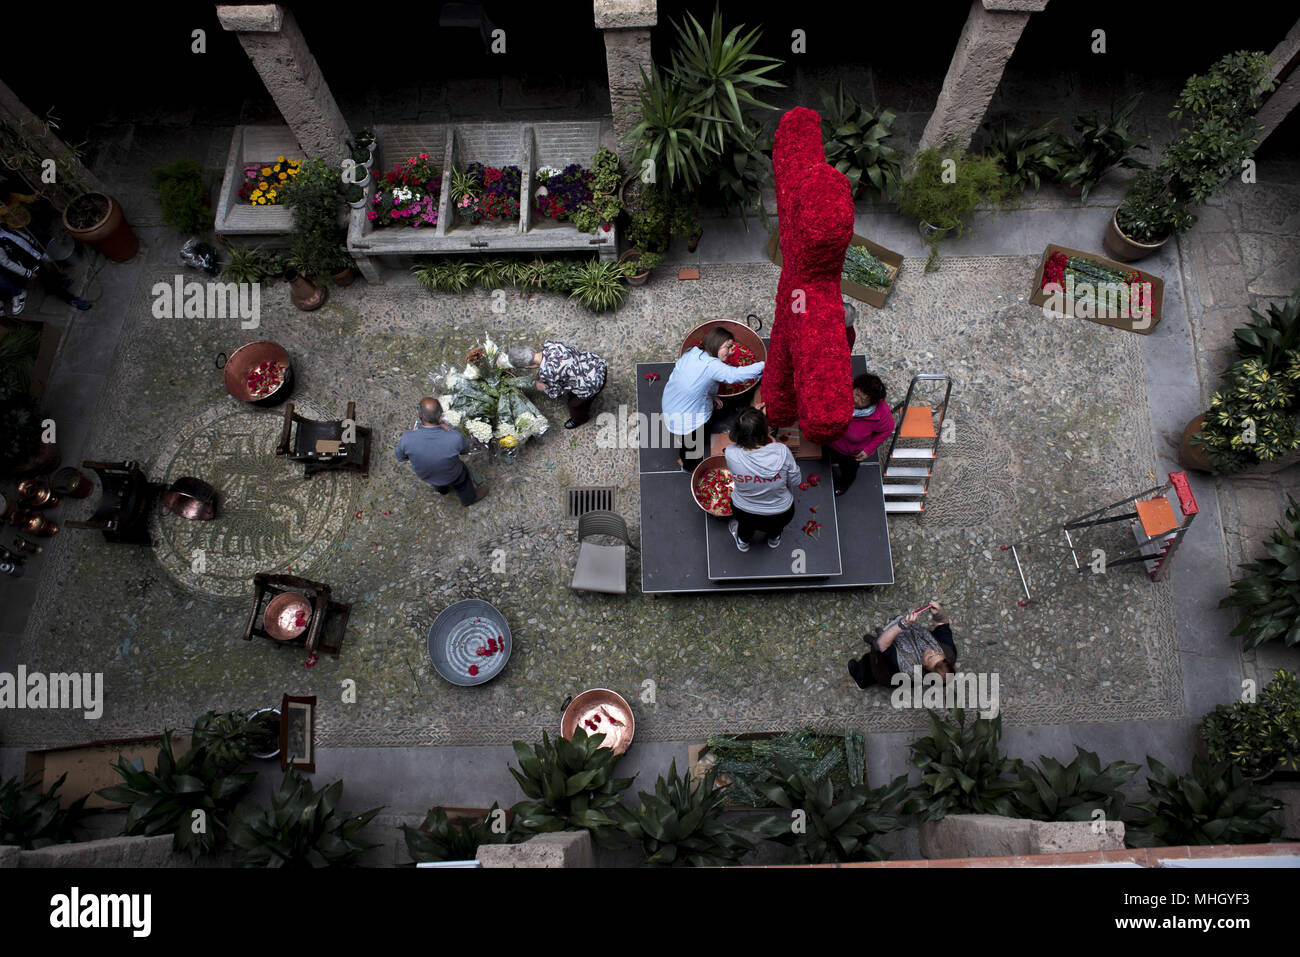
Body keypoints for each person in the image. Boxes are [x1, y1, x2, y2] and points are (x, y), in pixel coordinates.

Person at [663, 327, 765, 472]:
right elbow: (734, 375)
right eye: (728, 347)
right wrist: (764, 365)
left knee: (687, 436)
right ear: (716, 343)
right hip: (684, 418)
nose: (731, 352)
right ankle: (689, 467)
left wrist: (712, 396)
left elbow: (697, 381)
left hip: (670, 401)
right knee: (691, 445)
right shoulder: (712, 366)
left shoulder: (693, 352)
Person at [724, 407, 802, 551]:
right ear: (766, 431)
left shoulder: (730, 453)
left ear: (737, 433)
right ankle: (774, 540)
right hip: (780, 512)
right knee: (776, 528)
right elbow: (795, 481)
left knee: (745, 529)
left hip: (744, 510)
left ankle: (743, 544)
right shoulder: (782, 451)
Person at [394, 397, 489, 506]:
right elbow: (465, 450)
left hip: (427, 476)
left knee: (437, 481)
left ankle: (442, 490)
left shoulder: (407, 438)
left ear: (420, 416)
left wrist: (412, 435)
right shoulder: (455, 437)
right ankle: (469, 499)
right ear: (440, 417)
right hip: (454, 475)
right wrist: (449, 430)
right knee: (463, 480)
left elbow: (400, 457)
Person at [847, 602, 955, 689]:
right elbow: (943, 624)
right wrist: (939, 613)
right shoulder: (948, 652)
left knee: (870, 664)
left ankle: (861, 680)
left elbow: (882, 644)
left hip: (887, 670)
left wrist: (903, 625)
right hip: (906, 638)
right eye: (937, 653)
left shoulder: (906, 666)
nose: (932, 650)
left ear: (925, 668)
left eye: (930, 657)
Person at [507, 341, 607, 429]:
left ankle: (580, 419)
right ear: (531, 350)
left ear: (527, 366)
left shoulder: (546, 374)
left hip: (592, 384)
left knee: (574, 405)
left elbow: (556, 394)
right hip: (596, 364)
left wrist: (541, 386)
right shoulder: (550, 344)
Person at [824, 373, 894, 496]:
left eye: (863, 400)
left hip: (850, 453)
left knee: (848, 471)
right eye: (856, 394)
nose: (856, 400)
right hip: (829, 440)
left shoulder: (881, 414)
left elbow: (887, 429)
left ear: (872, 402)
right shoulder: (841, 392)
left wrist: (868, 449)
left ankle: (844, 485)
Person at [0, 224, 90, 314]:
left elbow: (18, 235)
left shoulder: (4, 227)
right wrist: (26, 273)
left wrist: (32, 242)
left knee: (48, 269)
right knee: (48, 281)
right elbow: (6, 263)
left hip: (33, 251)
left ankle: (59, 281)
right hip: (28, 263)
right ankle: (70, 299)